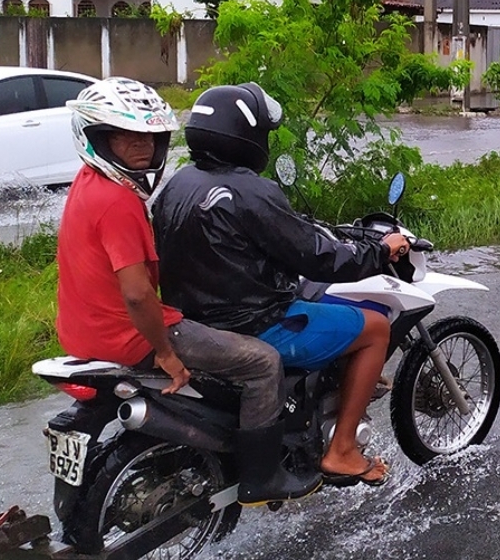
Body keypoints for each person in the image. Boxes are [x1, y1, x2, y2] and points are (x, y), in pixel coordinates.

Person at [56, 77, 321, 506]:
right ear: (97, 139)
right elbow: (139, 295)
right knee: (262, 362)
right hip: (128, 334)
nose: (140, 147)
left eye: (150, 137)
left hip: (82, 334)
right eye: (124, 137)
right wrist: (164, 352)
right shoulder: (118, 203)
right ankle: (262, 477)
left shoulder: (88, 184)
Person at [151, 82, 410, 487]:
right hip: (255, 323)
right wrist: (378, 251)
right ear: (246, 134)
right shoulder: (250, 190)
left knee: (320, 298)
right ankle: (342, 450)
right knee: (375, 327)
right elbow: (319, 257)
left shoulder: (178, 185)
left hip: (197, 322)